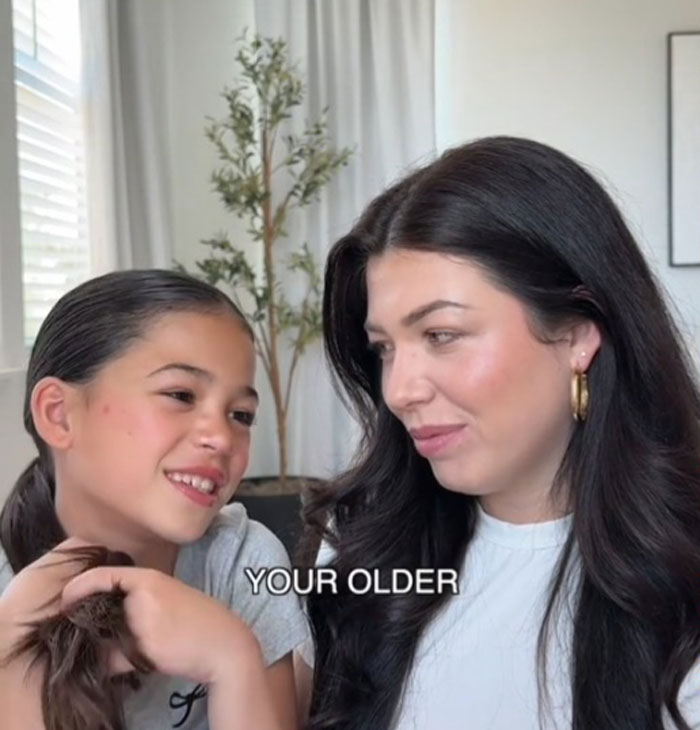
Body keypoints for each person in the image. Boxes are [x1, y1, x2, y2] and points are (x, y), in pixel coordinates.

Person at [296, 136, 700, 730]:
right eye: (384, 348)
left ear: (577, 336)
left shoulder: (679, 574)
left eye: (441, 335)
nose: (399, 390)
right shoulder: (357, 542)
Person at [0, 269, 308, 730]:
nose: (221, 437)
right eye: (180, 395)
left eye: (241, 414)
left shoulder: (241, 561)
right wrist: (10, 650)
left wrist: (232, 656)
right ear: (59, 415)